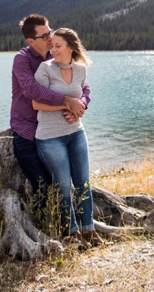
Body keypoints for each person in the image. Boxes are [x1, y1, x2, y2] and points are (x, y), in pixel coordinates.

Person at [32, 27, 102, 248]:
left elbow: (82, 96)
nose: (53, 50)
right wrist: (65, 105)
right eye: (51, 46)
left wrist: (79, 109)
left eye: (58, 46)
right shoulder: (45, 69)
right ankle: (71, 235)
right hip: (50, 137)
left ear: (71, 47)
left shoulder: (80, 69)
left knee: (83, 182)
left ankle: (89, 231)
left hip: (76, 133)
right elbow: (36, 104)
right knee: (63, 185)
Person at [10, 14, 89, 209]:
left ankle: (73, 226)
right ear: (31, 40)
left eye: (50, 32)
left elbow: (83, 85)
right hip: (27, 131)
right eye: (44, 36)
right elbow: (32, 90)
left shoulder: (56, 55)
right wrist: (66, 102)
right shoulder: (22, 60)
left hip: (56, 130)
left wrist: (81, 105)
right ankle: (42, 232)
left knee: (67, 183)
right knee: (42, 186)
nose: (50, 38)